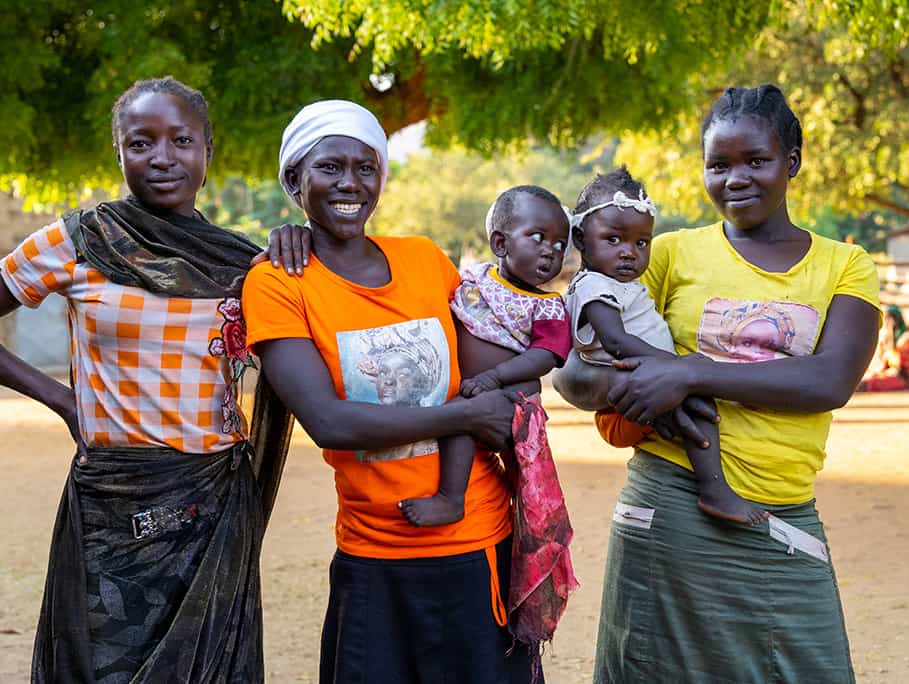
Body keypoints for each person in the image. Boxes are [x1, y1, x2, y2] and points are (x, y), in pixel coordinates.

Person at [0, 76, 306, 683]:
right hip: (114, 502)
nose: (163, 158)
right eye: (141, 143)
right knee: (102, 666)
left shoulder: (243, 264)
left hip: (213, 501)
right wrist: (63, 400)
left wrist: (299, 243)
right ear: (119, 153)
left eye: (181, 141)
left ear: (207, 151)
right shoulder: (81, 241)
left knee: (208, 667)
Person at [241, 99, 539, 682]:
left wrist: (490, 411)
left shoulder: (425, 259)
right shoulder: (278, 284)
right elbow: (330, 422)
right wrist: (463, 416)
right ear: (294, 179)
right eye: (329, 167)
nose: (350, 182)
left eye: (366, 167)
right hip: (374, 554)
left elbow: (499, 385)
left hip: (478, 541)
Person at [592, 85, 880, 683]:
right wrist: (637, 386)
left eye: (757, 160)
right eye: (717, 165)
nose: (736, 178)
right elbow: (582, 358)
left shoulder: (843, 265)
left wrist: (690, 370)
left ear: (792, 163)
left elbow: (830, 380)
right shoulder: (667, 252)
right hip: (672, 503)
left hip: (781, 507)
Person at [553, 166, 768, 525]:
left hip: (641, 369)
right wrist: (680, 367)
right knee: (698, 402)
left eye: (641, 242)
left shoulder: (612, 282)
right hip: (625, 370)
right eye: (614, 239)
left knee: (688, 405)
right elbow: (616, 341)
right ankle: (715, 489)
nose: (628, 253)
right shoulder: (593, 286)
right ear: (580, 238)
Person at [398, 184, 573, 527]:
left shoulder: (548, 305)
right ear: (500, 244)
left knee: (465, 422)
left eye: (559, 244)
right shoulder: (476, 280)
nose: (551, 251)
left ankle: (451, 499)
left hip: (511, 396)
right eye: (538, 237)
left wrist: (494, 377)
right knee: (461, 419)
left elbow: (546, 355)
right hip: (474, 389)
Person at [859, 304, 909, 391]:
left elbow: (898, 368)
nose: (890, 323)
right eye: (888, 320)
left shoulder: (905, 338)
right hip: (887, 372)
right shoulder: (884, 339)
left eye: (892, 319)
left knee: (876, 383)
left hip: (901, 377)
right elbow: (881, 363)